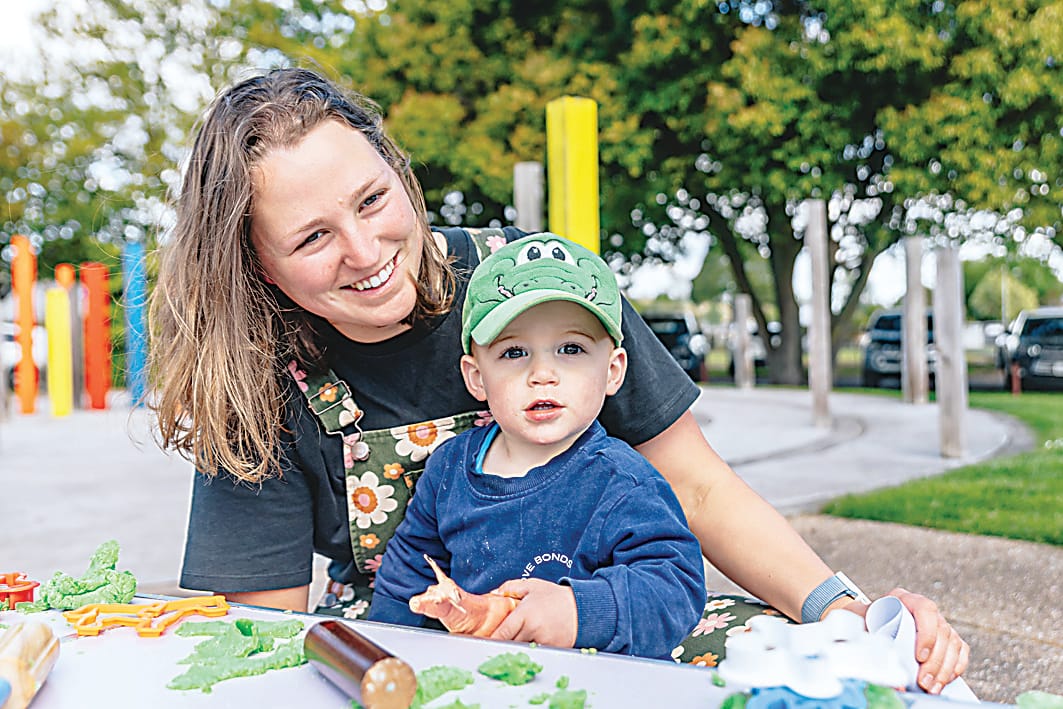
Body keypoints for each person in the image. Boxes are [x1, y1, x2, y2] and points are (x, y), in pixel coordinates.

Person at [148, 66, 968, 693]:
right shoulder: (253, 385)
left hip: (614, 613)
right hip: (411, 644)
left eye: (372, 199)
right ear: (254, 263)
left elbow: (697, 487)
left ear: (398, 170)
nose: (364, 253)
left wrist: (841, 609)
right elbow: (260, 631)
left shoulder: (539, 287)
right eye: (313, 236)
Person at [367, 234, 706, 659]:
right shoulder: (449, 469)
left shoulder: (623, 482)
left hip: (591, 683)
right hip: (474, 675)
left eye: (571, 348)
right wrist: (383, 654)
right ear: (476, 377)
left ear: (614, 370)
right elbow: (407, 576)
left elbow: (675, 588)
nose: (542, 373)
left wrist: (579, 611)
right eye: (514, 352)